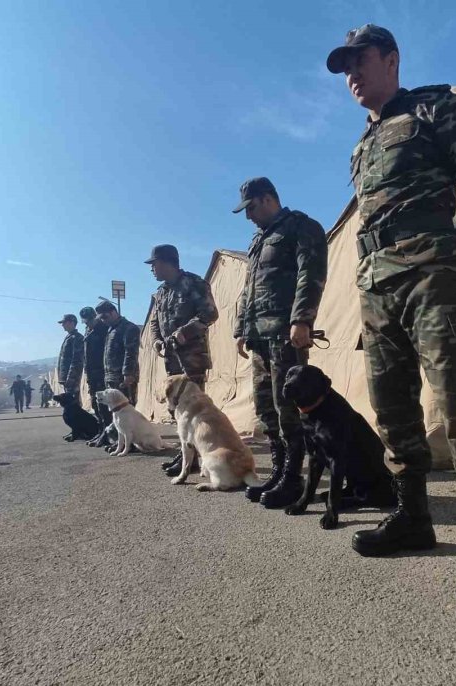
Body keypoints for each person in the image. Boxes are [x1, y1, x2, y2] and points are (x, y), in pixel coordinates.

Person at [327, 25, 456, 608]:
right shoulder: (363, 144)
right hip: (377, 287)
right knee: (392, 404)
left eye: (360, 62)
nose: (352, 75)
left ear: (391, 59)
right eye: (345, 68)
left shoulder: (434, 106)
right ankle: (413, 516)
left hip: (433, 273)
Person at [232, 177, 328, 509]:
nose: (249, 217)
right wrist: (240, 328)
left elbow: (311, 273)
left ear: (270, 198)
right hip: (259, 337)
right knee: (266, 408)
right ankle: (279, 470)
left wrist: (302, 318)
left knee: (288, 407)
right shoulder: (258, 241)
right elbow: (247, 288)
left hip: (285, 335)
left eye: (252, 208)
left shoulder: (300, 227)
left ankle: (295, 478)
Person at [146, 243, 219, 473]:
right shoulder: (161, 293)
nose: (152, 270)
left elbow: (209, 313)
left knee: (195, 410)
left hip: (192, 359)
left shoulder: (193, 283)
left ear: (167, 262)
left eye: (154, 264)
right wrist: (157, 340)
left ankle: (197, 457)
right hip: (172, 361)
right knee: (177, 411)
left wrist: (185, 332)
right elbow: (154, 323)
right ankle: (186, 456)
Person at [95, 300, 140, 406]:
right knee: (115, 411)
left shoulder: (129, 328)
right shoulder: (110, 330)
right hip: (111, 378)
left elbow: (131, 352)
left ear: (113, 312)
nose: (103, 320)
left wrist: (128, 374)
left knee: (126, 409)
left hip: (123, 379)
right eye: (101, 318)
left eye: (105, 317)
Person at [79, 306, 111, 440]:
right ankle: (101, 429)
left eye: (90, 321)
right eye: (86, 322)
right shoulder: (87, 330)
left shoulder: (104, 329)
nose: (88, 324)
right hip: (91, 372)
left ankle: (109, 432)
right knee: (95, 403)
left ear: (95, 318)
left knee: (104, 404)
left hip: (102, 371)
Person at [57, 314, 85, 403]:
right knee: (69, 403)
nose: (63, 325)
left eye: (64, 323)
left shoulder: (76, 338)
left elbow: (76, 360)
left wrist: (71, 378)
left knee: (73, 403)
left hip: (72, 378)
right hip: (67, 378)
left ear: (72, 323)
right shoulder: (69, 337)